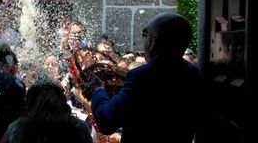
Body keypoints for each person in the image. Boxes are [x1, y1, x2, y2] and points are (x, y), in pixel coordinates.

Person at [80, 12, 201, 143]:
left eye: (145, 34)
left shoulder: (141, 77)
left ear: (152, 42)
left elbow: (107, 121)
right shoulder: (195, 74)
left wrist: (98, 90)